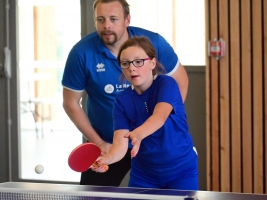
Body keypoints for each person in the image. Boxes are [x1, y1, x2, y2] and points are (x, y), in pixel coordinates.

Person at [61, 0, 189, 186]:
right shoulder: (81, 53)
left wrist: (163, 127)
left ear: (127, 19)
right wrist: (99, 143)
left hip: (152, 143)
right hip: (108, 143)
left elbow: (180, 81)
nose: (107, 26)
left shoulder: (155, 43)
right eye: (101, 19)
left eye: (114, 19)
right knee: (92, 197)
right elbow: (71, 103)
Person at [92, 36, 198, 190]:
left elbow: (159, 117)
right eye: (125, 63)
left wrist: (138, 134)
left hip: (181, 170)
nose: (132, 68)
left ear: (152, 63)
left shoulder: (166, 84)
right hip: (144, 174)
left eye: (138, 61)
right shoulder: (122, 100)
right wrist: (107, 158)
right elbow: (120, 145)